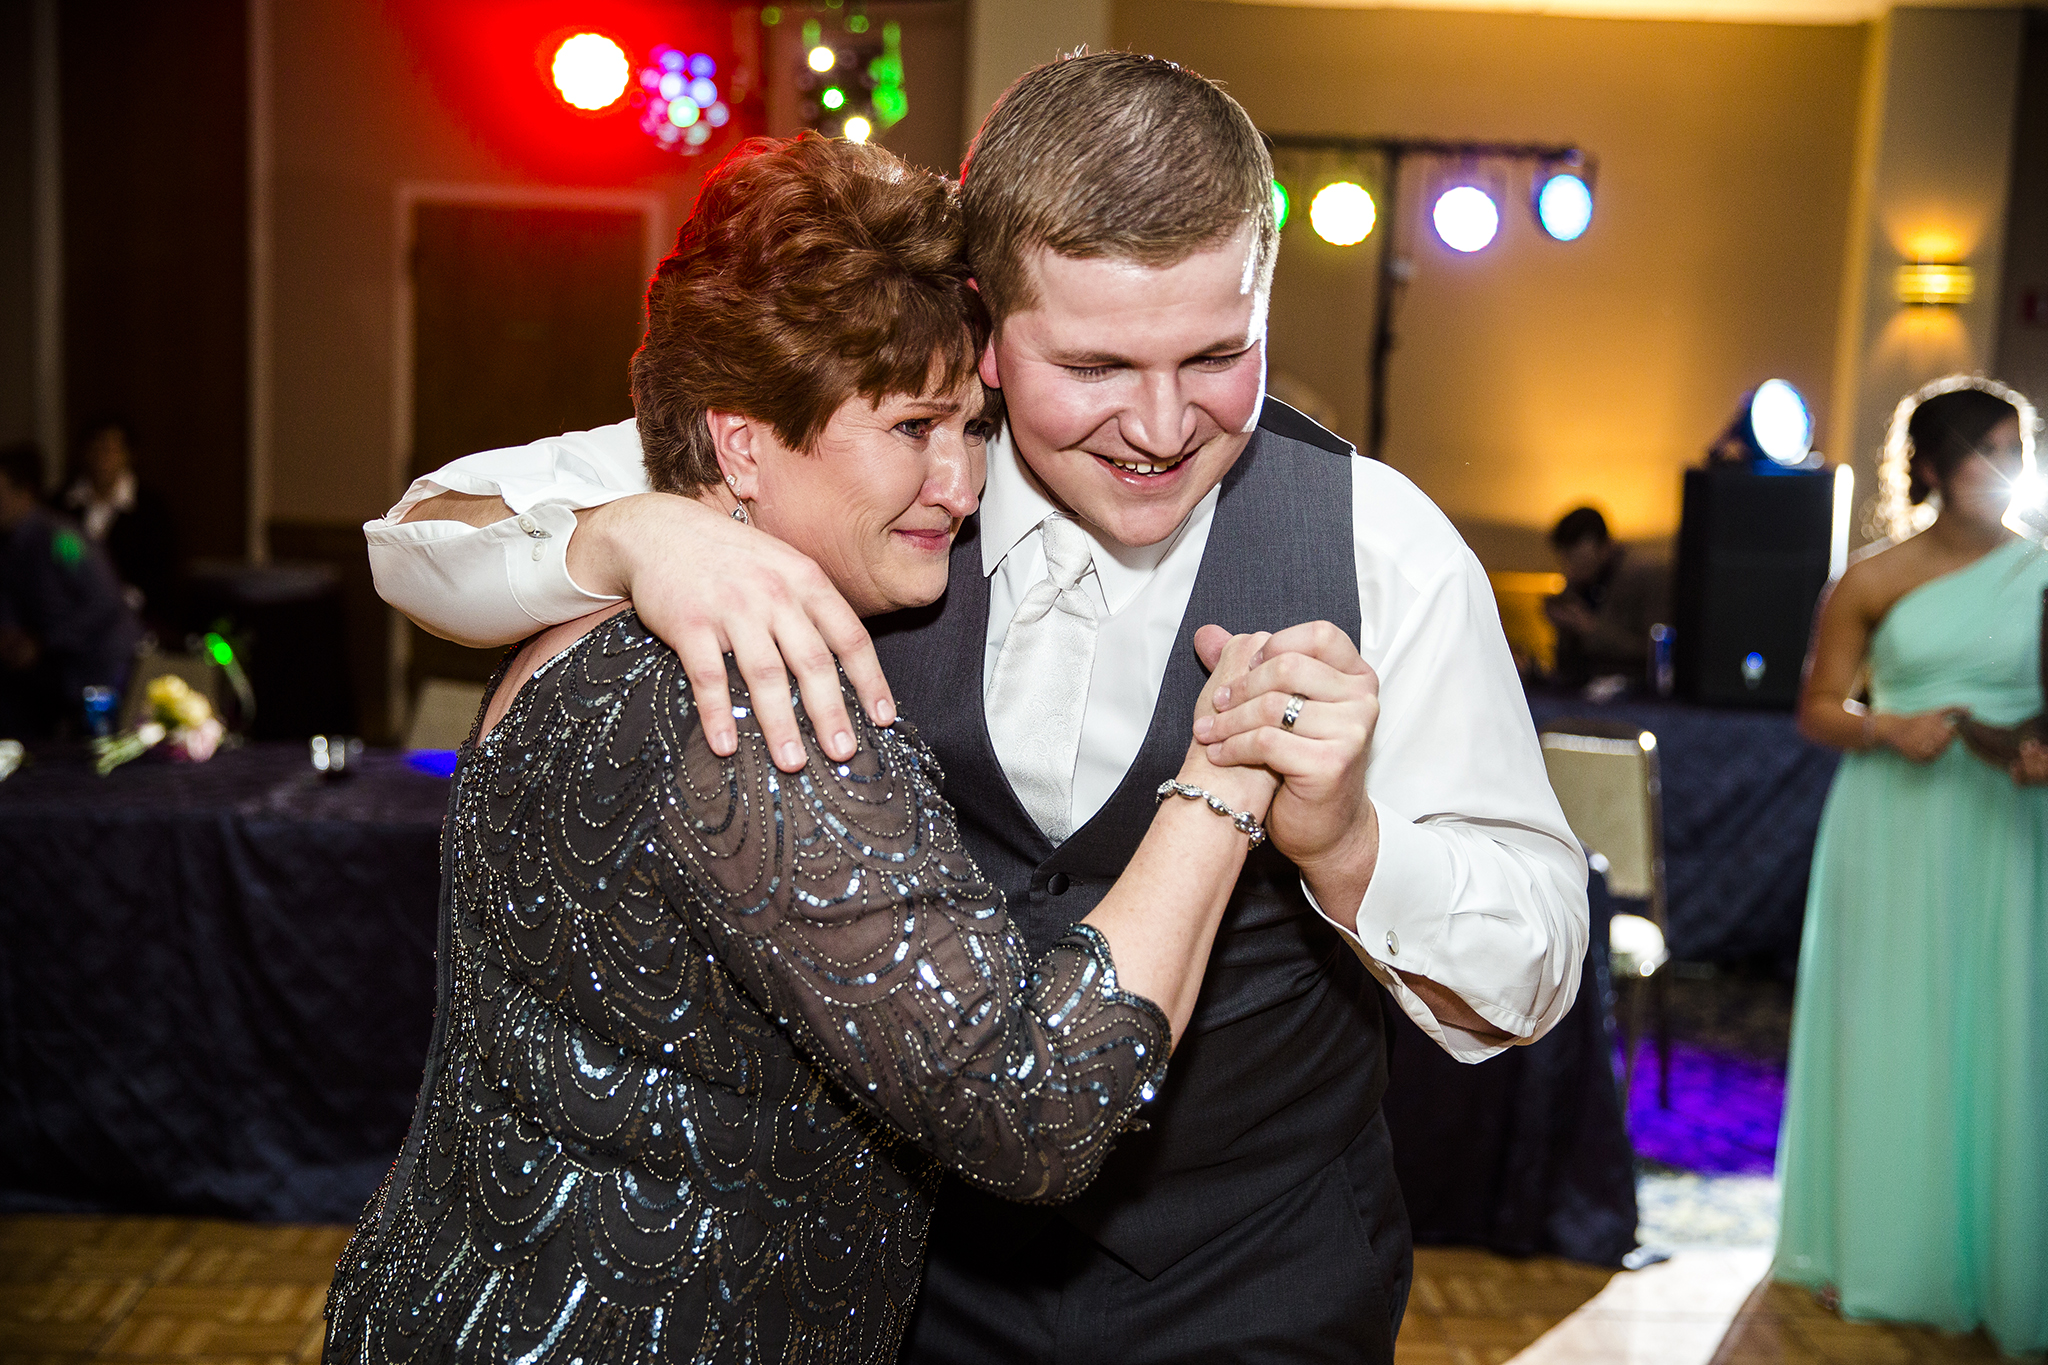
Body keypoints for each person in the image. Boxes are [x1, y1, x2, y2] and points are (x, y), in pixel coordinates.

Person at [366, 54, 1587, 1364]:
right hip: (919, 1307)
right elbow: (420, 538)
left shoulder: (1383, 551)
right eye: (1098, 363)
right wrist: (641, 538)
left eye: (1220, 354)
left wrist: (1350, 846)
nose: (1164, 424)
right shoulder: (889, 445)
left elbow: (1537, 967)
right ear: (988, 326)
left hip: (1258, 1296)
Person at [327, 136, 1288, 1364]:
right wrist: (1221, 777)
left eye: (974, 424)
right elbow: (1036, 1107)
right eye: (911, 428)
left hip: (444, 1304)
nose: (961, 480)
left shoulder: (575, 630)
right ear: (738, 444)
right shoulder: (760, 704)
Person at [1776, 379, 2047, 1356]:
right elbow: (1816, 707)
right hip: (1893, 823)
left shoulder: (2041, 574)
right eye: (1978, 451)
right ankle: (1885, 1252)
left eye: (2011, 449)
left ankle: (2004, 1263)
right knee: (1896, 1024)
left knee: (2005, 1028)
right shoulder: (1869, 580)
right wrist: (1885, 724)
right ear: (1928, 467)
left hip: (2012, 829)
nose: (1998, 469)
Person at [0, 441, 143, 739]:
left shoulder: (61, 540)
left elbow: (103, 599)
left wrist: (42, 642)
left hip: (98, 663)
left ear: (23, 492)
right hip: (56, 662)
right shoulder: (9, 544)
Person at [61, 423, 179, 627]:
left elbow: (160, 573)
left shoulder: (150, 509)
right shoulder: (63, 505)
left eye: (111, 450)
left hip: (130, 621)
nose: (102, 458)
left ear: (128, 455)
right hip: (69, 616)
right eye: (96, 449)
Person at [1543, 506, 1669, 688]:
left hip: (1636, 694)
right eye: (1566, 560)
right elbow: (1567, 664)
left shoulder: (1647, 577)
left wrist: (1588, 627)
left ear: (1604, 547)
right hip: (1586, 690)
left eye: (1578, 561)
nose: (1569, 571)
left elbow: (1654, 653)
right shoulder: (1579, 583)